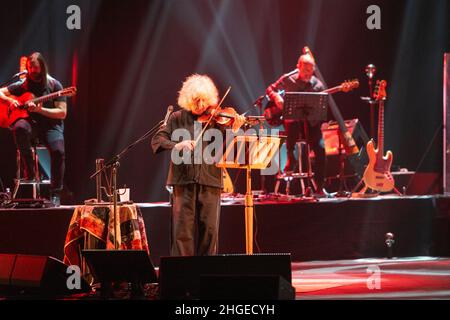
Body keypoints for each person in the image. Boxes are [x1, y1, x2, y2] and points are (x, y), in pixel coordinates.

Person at [151, 74, 245, 256]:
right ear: (187, 99)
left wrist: (235, 129)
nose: (200, 105)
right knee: (182, 233)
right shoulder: (177, 118)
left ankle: (206, 276)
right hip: (182, 181)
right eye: (196, 100)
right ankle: (182, 277)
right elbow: (157, 139)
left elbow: (231, 148)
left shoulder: (218, 120)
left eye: (204, 100)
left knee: (209, 232)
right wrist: (176, 145)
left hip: (210, 180)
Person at [0, 52, 67, 206]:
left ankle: (55, 193)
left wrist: (40, 110)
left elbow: (62, 113)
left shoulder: (55, 86)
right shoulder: (23, 84)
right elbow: (0, 92)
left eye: (35, 68)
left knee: (58, 151)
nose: (32, 72)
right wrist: (11, 100)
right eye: (30, 68)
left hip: (51, 126)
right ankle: (29, 169)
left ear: (42, 68)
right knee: (19, 127)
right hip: (31, 124)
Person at [265, 53, 326, 194]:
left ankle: (320, 187)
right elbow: (270, 89)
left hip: (310, 124)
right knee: (291, 119)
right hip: (292, 124)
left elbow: (321, 110)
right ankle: (290, 155)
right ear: (298, 66)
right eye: (305, 69)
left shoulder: (318, 85)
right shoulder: (288, 79)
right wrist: (276, 98)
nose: (307, 73)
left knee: (321, 147)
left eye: (310, 70)